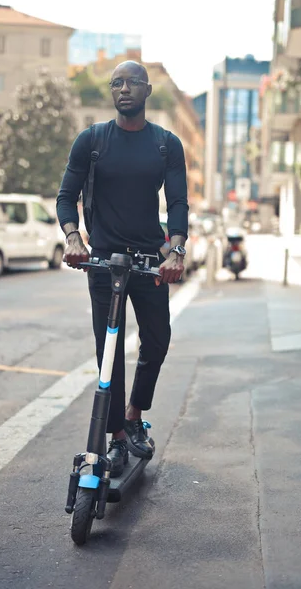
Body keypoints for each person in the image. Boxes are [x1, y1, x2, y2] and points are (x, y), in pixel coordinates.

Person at [57, 60, 188, 478]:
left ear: (147, 91)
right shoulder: (92, 141)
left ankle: (134, 414)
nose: (124, 89)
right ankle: (115, 436)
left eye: (132, 82)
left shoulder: (166, 144)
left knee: (157, 340)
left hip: (150, 259)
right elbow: (66, 196)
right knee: (108, 351)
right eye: (116, 83)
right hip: (105, 260)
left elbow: (179, 203)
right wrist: (73, 236)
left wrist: (176, 249)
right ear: (111, 92)